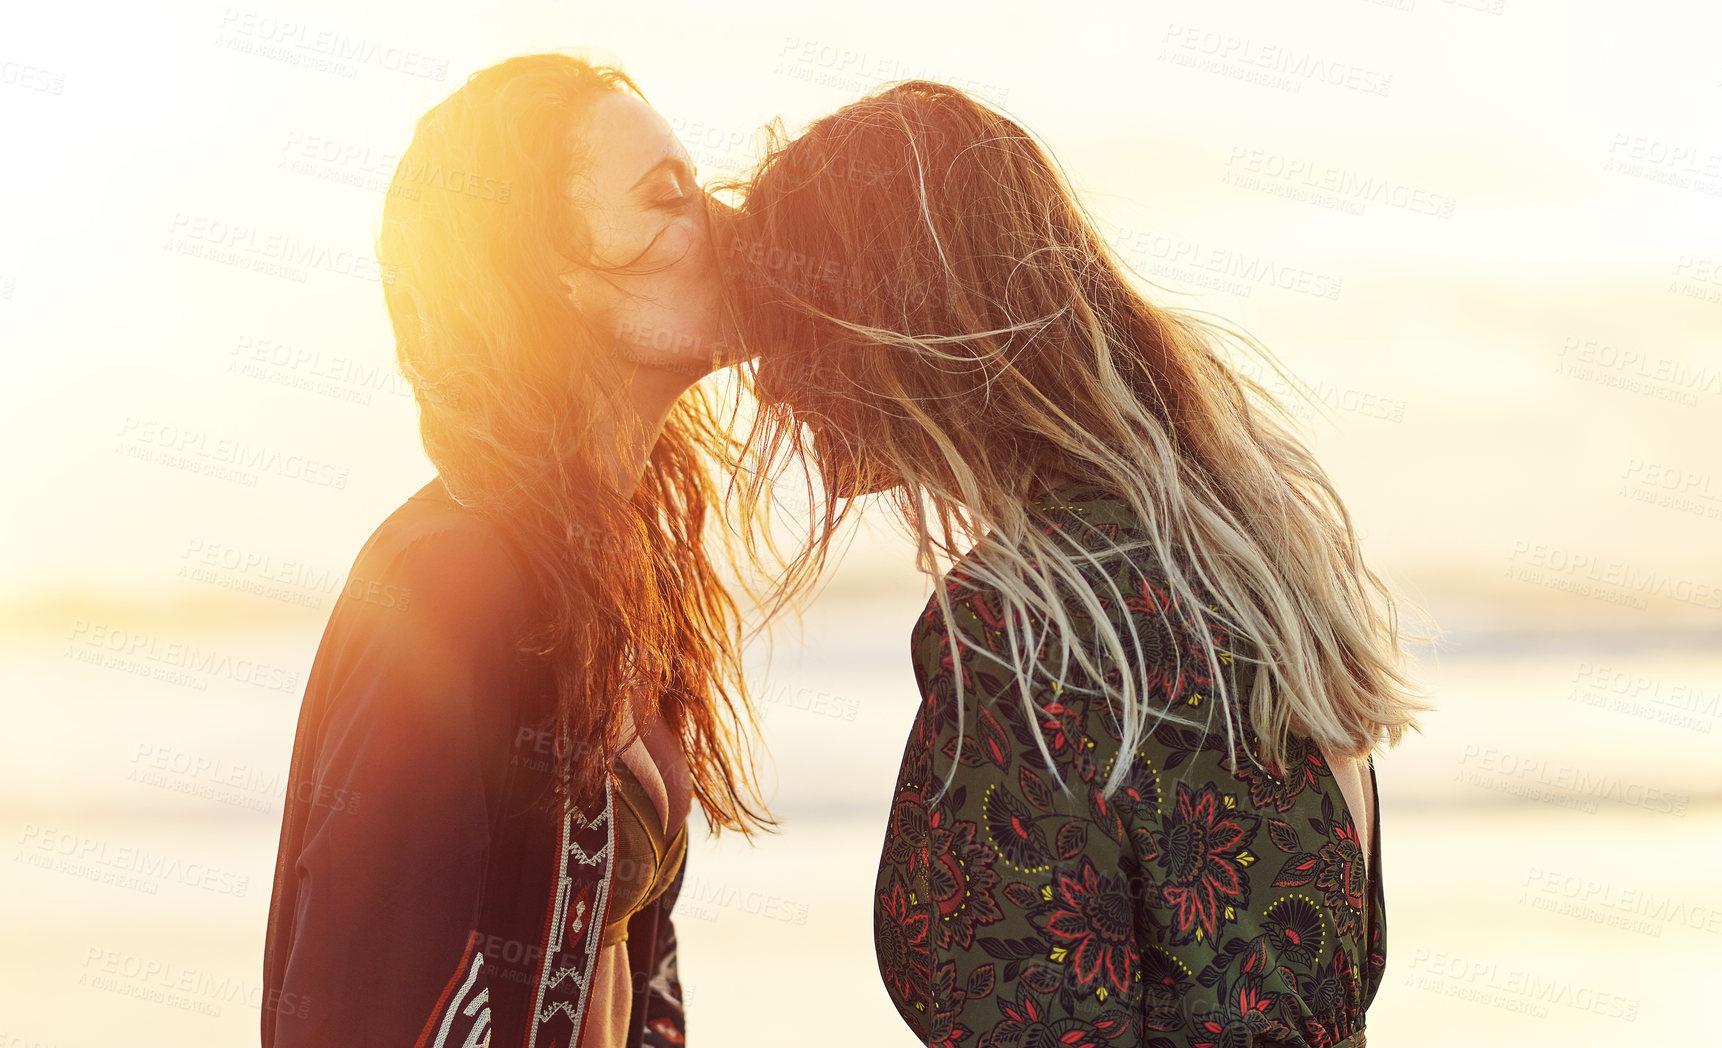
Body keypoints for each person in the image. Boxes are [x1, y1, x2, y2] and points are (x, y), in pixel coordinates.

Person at [725, 80, 1435, 1047]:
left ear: (896, 320)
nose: (767, 376)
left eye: (793, 317)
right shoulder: (1254, 553)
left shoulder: (1022, 635)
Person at [260, 52, 773, 1048]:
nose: (725, 225)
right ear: (551, 274)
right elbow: (362, 1006)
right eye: (667, 199)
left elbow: (634, 970)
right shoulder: (449, 581)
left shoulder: (621, 566)